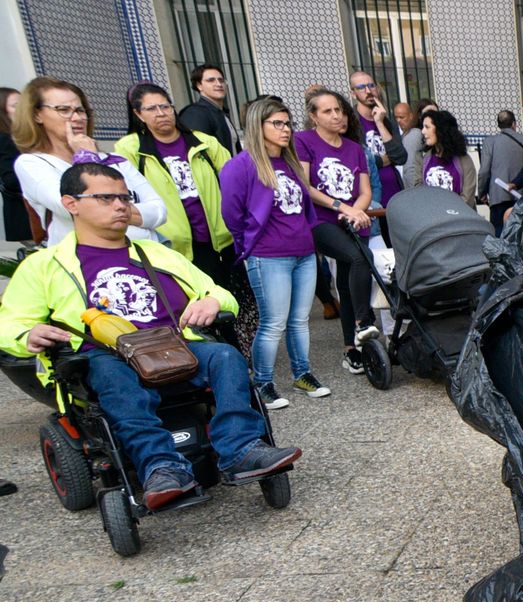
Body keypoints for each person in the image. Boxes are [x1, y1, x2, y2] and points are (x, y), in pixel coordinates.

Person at [1, 161, 301, 509]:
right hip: (105, 354)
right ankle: (161, 466)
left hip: (173, 346)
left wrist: (213, 300)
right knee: (111, 374)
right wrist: (29, 333)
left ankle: (241, 450)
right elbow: (11, 324)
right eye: (104, 198)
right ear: (71, 204)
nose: (120, 206)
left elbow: (219, 293)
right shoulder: (45, 266)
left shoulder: (158, 254)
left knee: (225, 356)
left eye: (124, 197)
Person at [221, 97, 330, 407]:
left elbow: (302, 207)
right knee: (273, 322)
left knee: (299, 321)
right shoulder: (241, 166)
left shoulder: (290, 162)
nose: (286, 130)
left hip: (303, 252)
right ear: (259, 126)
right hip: (268, 256)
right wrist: (251, 246)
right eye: (278, 124)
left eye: (288, 124)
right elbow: (231, 214)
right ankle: (264, 382)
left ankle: (302, 374)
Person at [14, 77, 166, 247]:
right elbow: (71, 207)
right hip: (90, 265)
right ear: (37, 115)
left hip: (146, 257)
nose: (77, 118)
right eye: (63, 109)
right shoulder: (32, 163)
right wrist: (86, 158)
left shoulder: (116, 161)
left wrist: (108, 210)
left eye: (80, 110)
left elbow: (159, 211)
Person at [294, 88, 378, 376]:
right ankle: (364, 322)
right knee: (360, 257)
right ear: (313, 116)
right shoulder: (303, 141)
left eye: (339, 110)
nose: (336, 115)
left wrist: (357, 211)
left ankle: (350, 349)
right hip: (321, 220)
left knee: (346, 279)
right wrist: (343, 207)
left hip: (353, 220)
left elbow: (365, 191)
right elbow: (305, 186)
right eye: (328, 111)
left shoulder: (355, 148)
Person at [114, 83, 234, 285]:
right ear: (138, 114)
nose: (161, 113)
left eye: (165, 107)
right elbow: (122, 193)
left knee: (229, 305)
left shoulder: (204, 142)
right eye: (151, 109)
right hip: (170, 246)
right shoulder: (130, 148)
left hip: (218, 242)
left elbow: (234, 181)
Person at [348, 72, 406, 218]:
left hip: (394, 195)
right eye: (361, 87)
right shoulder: (350, 124)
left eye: (371, 86)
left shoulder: (387, 121)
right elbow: (360, 162)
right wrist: (383, 159)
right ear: (353, 93)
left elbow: (400, 157)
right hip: (369, 199)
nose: (368, 91)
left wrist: (379, 122)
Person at [405, 108, 477, 205]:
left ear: (440, 129)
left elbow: (468, 196)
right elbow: (419, 190)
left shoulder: (463, 159)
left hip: (459, 216)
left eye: (427, 127)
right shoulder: (422, 158)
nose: (422, 131)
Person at [479, 109, 523, 235]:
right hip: (521, 196)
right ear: (514, 124)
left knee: (499, 236)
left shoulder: (490, 142)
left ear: (499, 125)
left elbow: (484, 171)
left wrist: (482, 193)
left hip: (498, 197)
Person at [177, 64, 240, 153]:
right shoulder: (195, 113)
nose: (218, 84)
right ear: (199, 85)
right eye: (211, 80)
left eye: (221, 80)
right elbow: (199, 151)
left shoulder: (221, 112)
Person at [1, 86, 35, 244]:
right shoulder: (6, 140)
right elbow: (10, 180)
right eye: (16, 105)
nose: (23, 109)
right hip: (26, 218)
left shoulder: (21, 137)